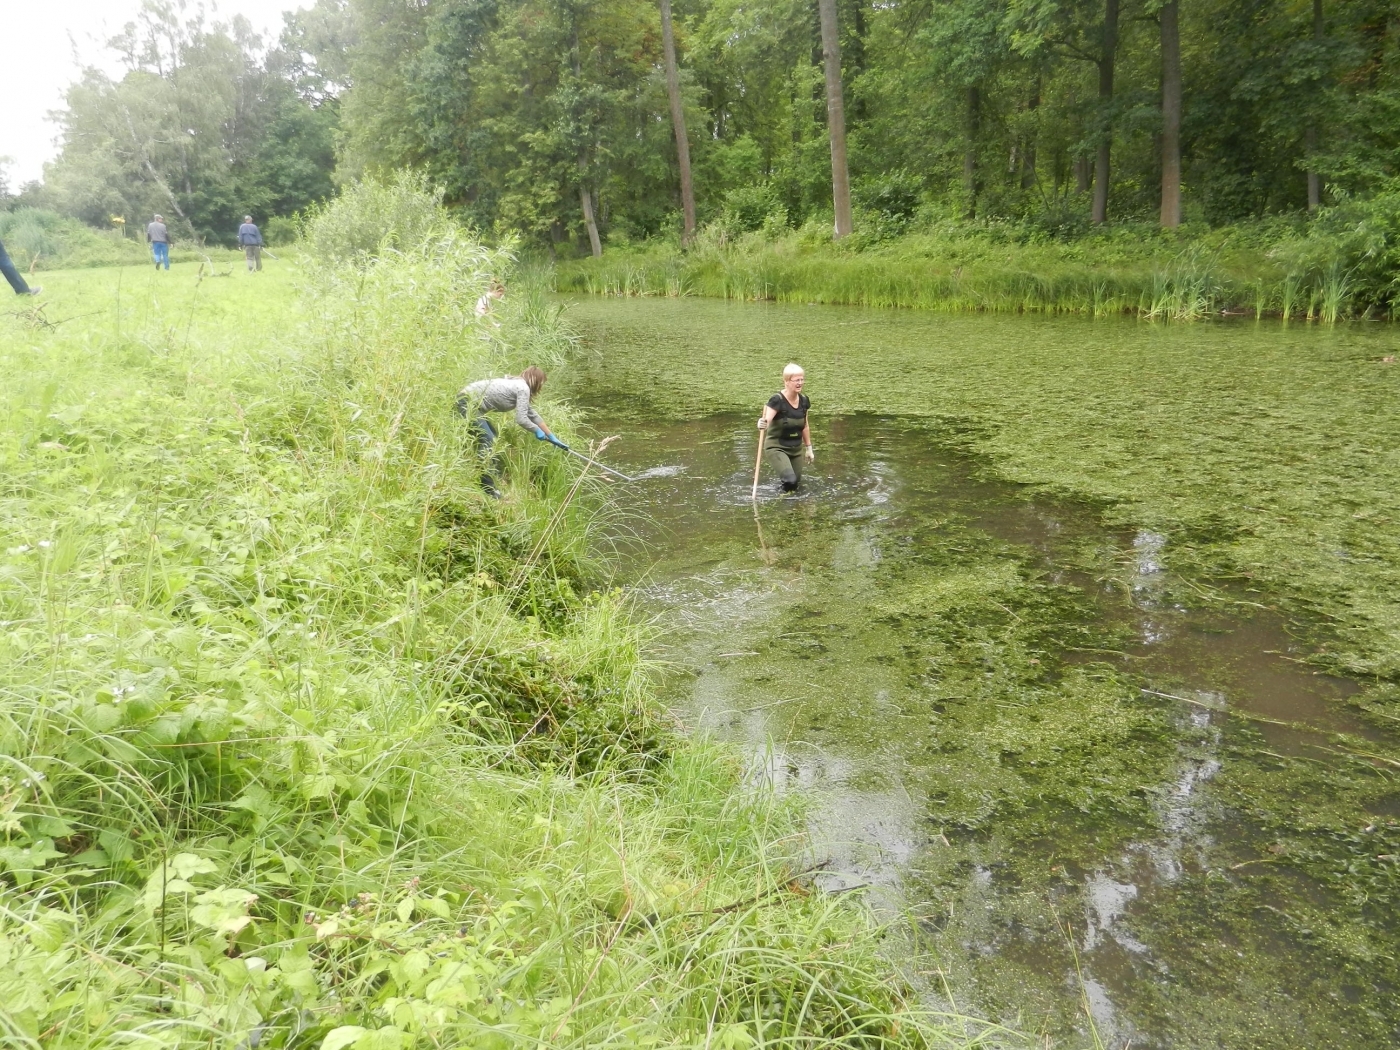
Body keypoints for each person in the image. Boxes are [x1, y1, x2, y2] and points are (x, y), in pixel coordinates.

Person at [455, 366, 553, 497]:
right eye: (542, 384)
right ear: (536, 381)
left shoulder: (518, 385)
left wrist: (551, 436)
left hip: (470, 403)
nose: (541, 387)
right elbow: (521, 419)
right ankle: (488, 488)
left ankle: (492, 478)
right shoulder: (523, 388)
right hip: (467, 402)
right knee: (487, 439)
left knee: (493, 437)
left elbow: (532, 415)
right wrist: (536, 431)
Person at [757, 362, 813, 492]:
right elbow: (766, 422)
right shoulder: (777, 400)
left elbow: (805, 425)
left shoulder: (804, 400)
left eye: (802, 379)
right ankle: (781, 506)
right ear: (786, 382)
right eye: (796, 380)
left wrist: (809, 448)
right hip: (777, 447)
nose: (800, 383)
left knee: (795, 485)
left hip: (796, 449)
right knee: (790, 481)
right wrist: (761, 423)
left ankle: (792, 507)